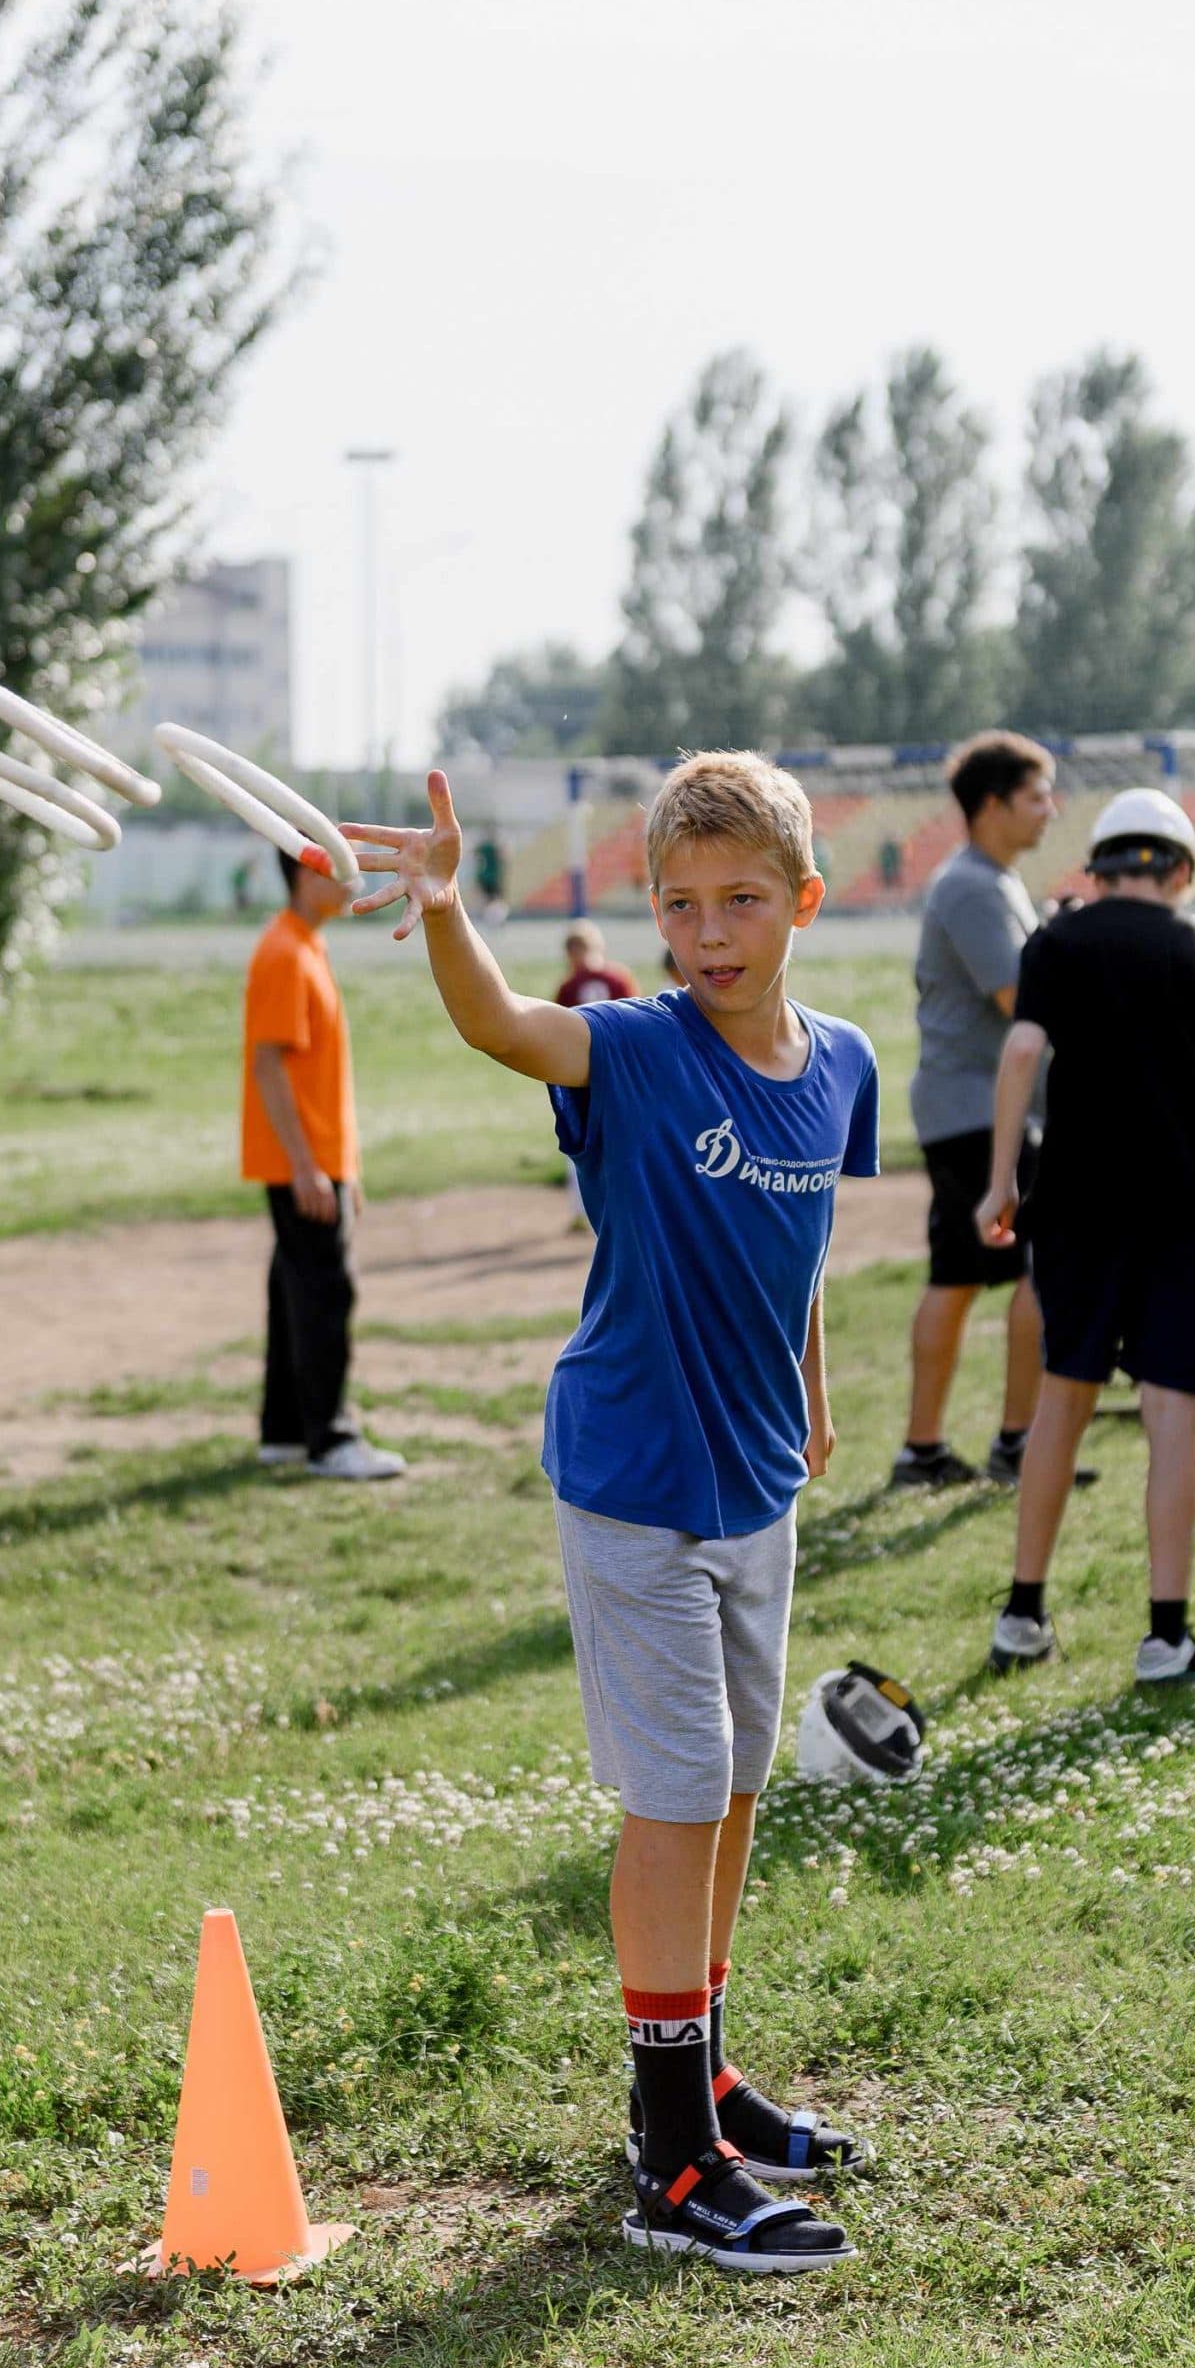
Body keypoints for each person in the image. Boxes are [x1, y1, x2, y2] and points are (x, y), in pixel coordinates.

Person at [345, 752, 879, 2274]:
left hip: (756, 1471)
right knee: (672, 1791)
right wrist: (449, 911)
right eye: (679, 905)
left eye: (742, 903)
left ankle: (703, 2069)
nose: (709, 933)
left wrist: (815, 1393)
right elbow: (502, 1025)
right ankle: (668, 2159)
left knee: (737, 1787)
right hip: (636, 1470)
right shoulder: (638, 1050)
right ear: (650, 915)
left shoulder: (841, 1062)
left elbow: (809, 1241)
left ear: (803, 905)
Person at [975, 790, 1195, 1684]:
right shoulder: (1193, 949)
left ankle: (1021, 1616)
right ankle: (1165, 1638)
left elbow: (1019, 1055)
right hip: (1184, 1217)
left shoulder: (1055, 942)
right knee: (1172, 1415)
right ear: (1177, 870)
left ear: (1098, 870)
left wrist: (1000, 1181)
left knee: (1062, 1400)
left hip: (1075, 1214)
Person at [893, 731, 1091, 1492]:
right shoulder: (974, 886)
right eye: (1037, 795)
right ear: (991, 805)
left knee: (972, 1274)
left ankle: (935, 1450)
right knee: (1020, 1274)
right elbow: (1023, 1001)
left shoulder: (993, 880)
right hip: (977, 1110)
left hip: (976, 1107)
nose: (1051, 810)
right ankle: (1008, 1443)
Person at [241, 851, 406, 1482]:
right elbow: (268, 1065)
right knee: (324, 1293)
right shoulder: (284, 951)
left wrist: (345, 1167)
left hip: (317, 1160)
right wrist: (308, 1167)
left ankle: (283, 1430)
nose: (350, 878)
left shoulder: (305, 945)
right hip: (300, 1163)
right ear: (307, 876)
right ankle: (332, 1439)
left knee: (294, 1290)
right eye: (337, 868)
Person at [554, 922, 641, 1231]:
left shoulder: (569, 985)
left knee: (580, 1144)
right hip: (620, 1072)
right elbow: (638, 1024)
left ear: (571, 952)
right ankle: (629, 1208)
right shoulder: (619, 977)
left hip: (581, 1075)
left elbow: (555, 1032)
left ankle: (583, 1213)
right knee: (626, 1140)